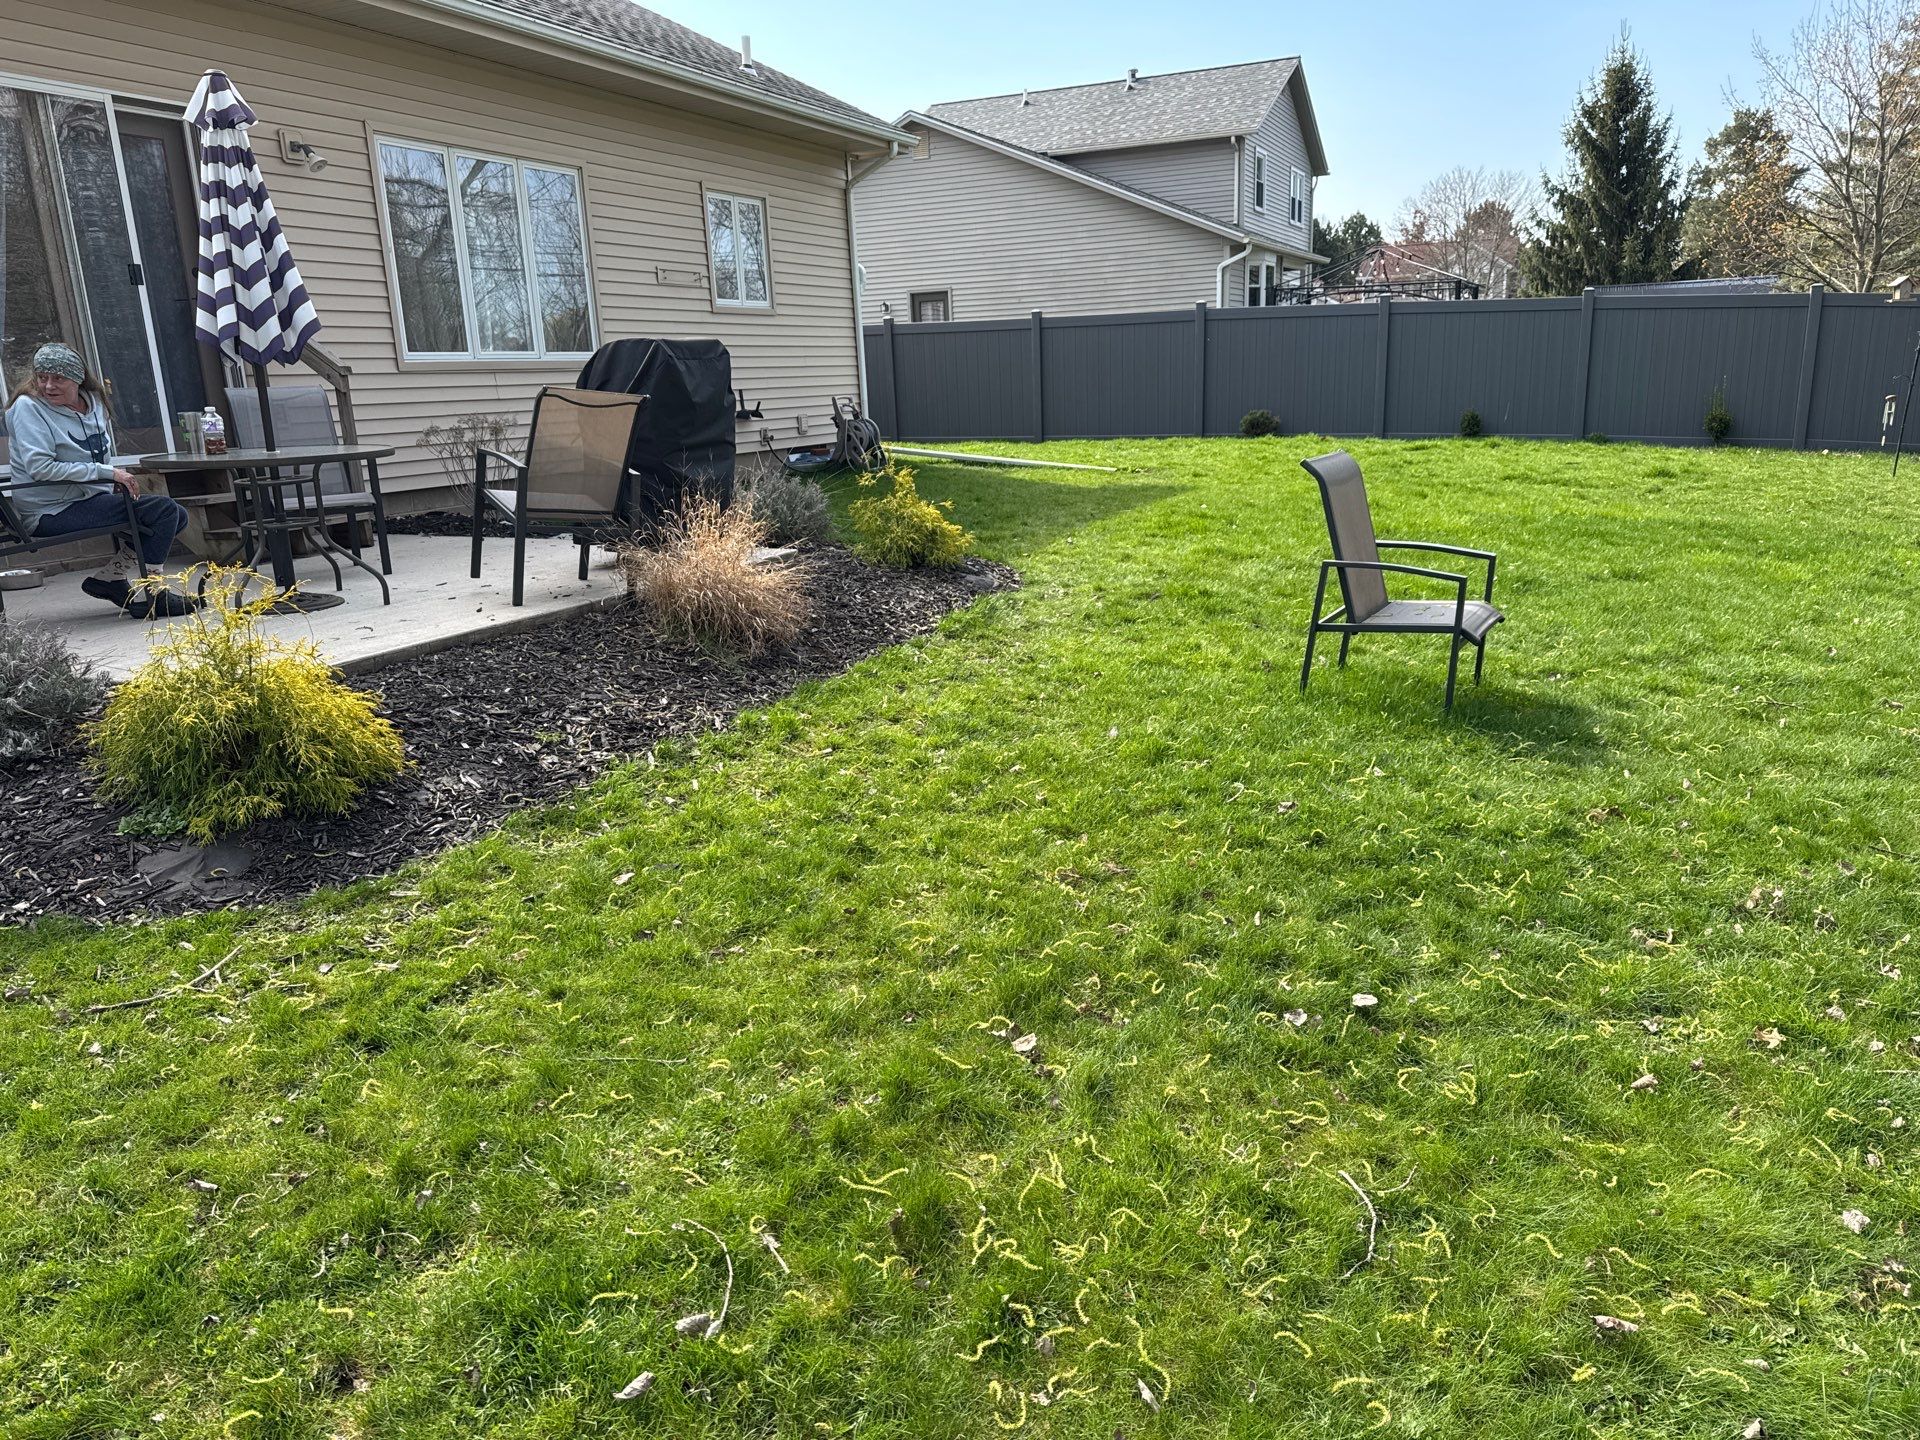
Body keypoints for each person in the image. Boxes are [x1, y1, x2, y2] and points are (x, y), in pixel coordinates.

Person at [5, 342, 197, 618]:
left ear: (78, 377)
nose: (48, 386)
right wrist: (107, 473)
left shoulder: (94, 403)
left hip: (88, 499)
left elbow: (99, 456)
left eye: (58, 378)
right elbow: (41, 468)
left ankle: (110, 578)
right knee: (164, 511)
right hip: (50, 511)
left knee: (176, 515)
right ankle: (154, 593)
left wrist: (110, 478)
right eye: (42, 377)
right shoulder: (28, 407)